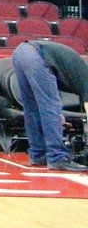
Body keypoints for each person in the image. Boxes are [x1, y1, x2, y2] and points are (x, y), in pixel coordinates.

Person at [10, 39, 88, 171]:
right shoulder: (85, 77)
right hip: (37, 56)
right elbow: (52, 109)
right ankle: (57, 157)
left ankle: (38, 155)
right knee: (50, 107)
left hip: (21, 52)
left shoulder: (78, 71)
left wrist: (57, 118)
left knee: (32, 109)